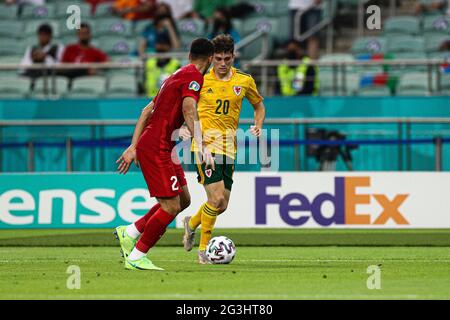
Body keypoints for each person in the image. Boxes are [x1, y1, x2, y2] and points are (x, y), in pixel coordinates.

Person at [114, 38, 215, 271]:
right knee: (170, 206)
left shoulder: (175, 75)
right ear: (210, 59)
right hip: (157, 147)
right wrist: (201, 144)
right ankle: (137, 256)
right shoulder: (193, 78)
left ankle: (129, 232)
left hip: (161, 146)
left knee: (183, 200)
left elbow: (146, 111)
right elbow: (189, 109)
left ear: (190, 56)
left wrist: (133, 145)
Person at [181, 34, 266, 264]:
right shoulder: (200, 80)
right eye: (217, 58)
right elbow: (186, 106)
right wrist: (184, 127)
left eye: (227, 58)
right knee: (216, 198)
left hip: (230, 148)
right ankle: (203, 250)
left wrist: (258, 125)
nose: (222, 63)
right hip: (205, 146)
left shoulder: (244, 81)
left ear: (233, 56)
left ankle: (191, 223)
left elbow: (259, 106)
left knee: (222, 205)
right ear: (211, 58)